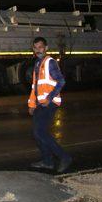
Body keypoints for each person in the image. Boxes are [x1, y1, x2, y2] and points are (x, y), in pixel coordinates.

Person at [28, 37, 72, 173]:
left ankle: (64, 157)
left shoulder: (49, 62)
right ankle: (47, 162)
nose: (38, 50)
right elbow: (35, 87)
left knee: (40, 131)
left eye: (40, 47)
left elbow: (61, 81)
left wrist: (49, 97)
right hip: (40, 104)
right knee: (37, 133)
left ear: (46, 48)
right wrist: (31, 104)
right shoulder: (37, 63)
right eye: (35, 47)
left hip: (49, 103)